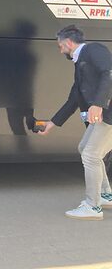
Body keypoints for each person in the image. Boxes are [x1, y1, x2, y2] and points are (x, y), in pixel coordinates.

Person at [39, 25, 112, 220]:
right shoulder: (80, 64)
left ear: (68, 43)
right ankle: (105, 195)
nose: (60, 50)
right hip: (104, 115)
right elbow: (73, 100)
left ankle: (92, 206)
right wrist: (51, 124)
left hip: (108, 114)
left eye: (60, 46)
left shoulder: (93, 50)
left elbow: (109, 72)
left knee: (91, 155)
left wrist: (98, 104)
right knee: (84, 148)